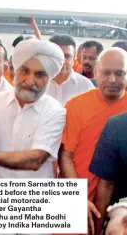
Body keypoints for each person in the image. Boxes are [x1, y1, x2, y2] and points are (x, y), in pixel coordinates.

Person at [0, 39, 65, 187]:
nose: (30, 81)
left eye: (40, 74)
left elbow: (35, 160)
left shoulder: (54, 111)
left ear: (49, 79)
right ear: (14, 71)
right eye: (25, 71)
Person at [59, 47, 127, 234]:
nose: (112, 79)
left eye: (120, 73)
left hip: (116, 198)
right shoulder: (77, 104)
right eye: (106, 72)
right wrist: (77, 196)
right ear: (96, 71)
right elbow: (65, 156)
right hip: (78, 189)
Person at [89, 111, 127, 234]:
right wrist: (98, 230)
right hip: (122, 206)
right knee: (118, 228)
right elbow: (106, 185)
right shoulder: (117, 125)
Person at [47, 35, 94, 106]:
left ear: (74, 58)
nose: (62, 61)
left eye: (67, 56)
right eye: (57, 56)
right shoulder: (37, 83)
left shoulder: (86, 86)